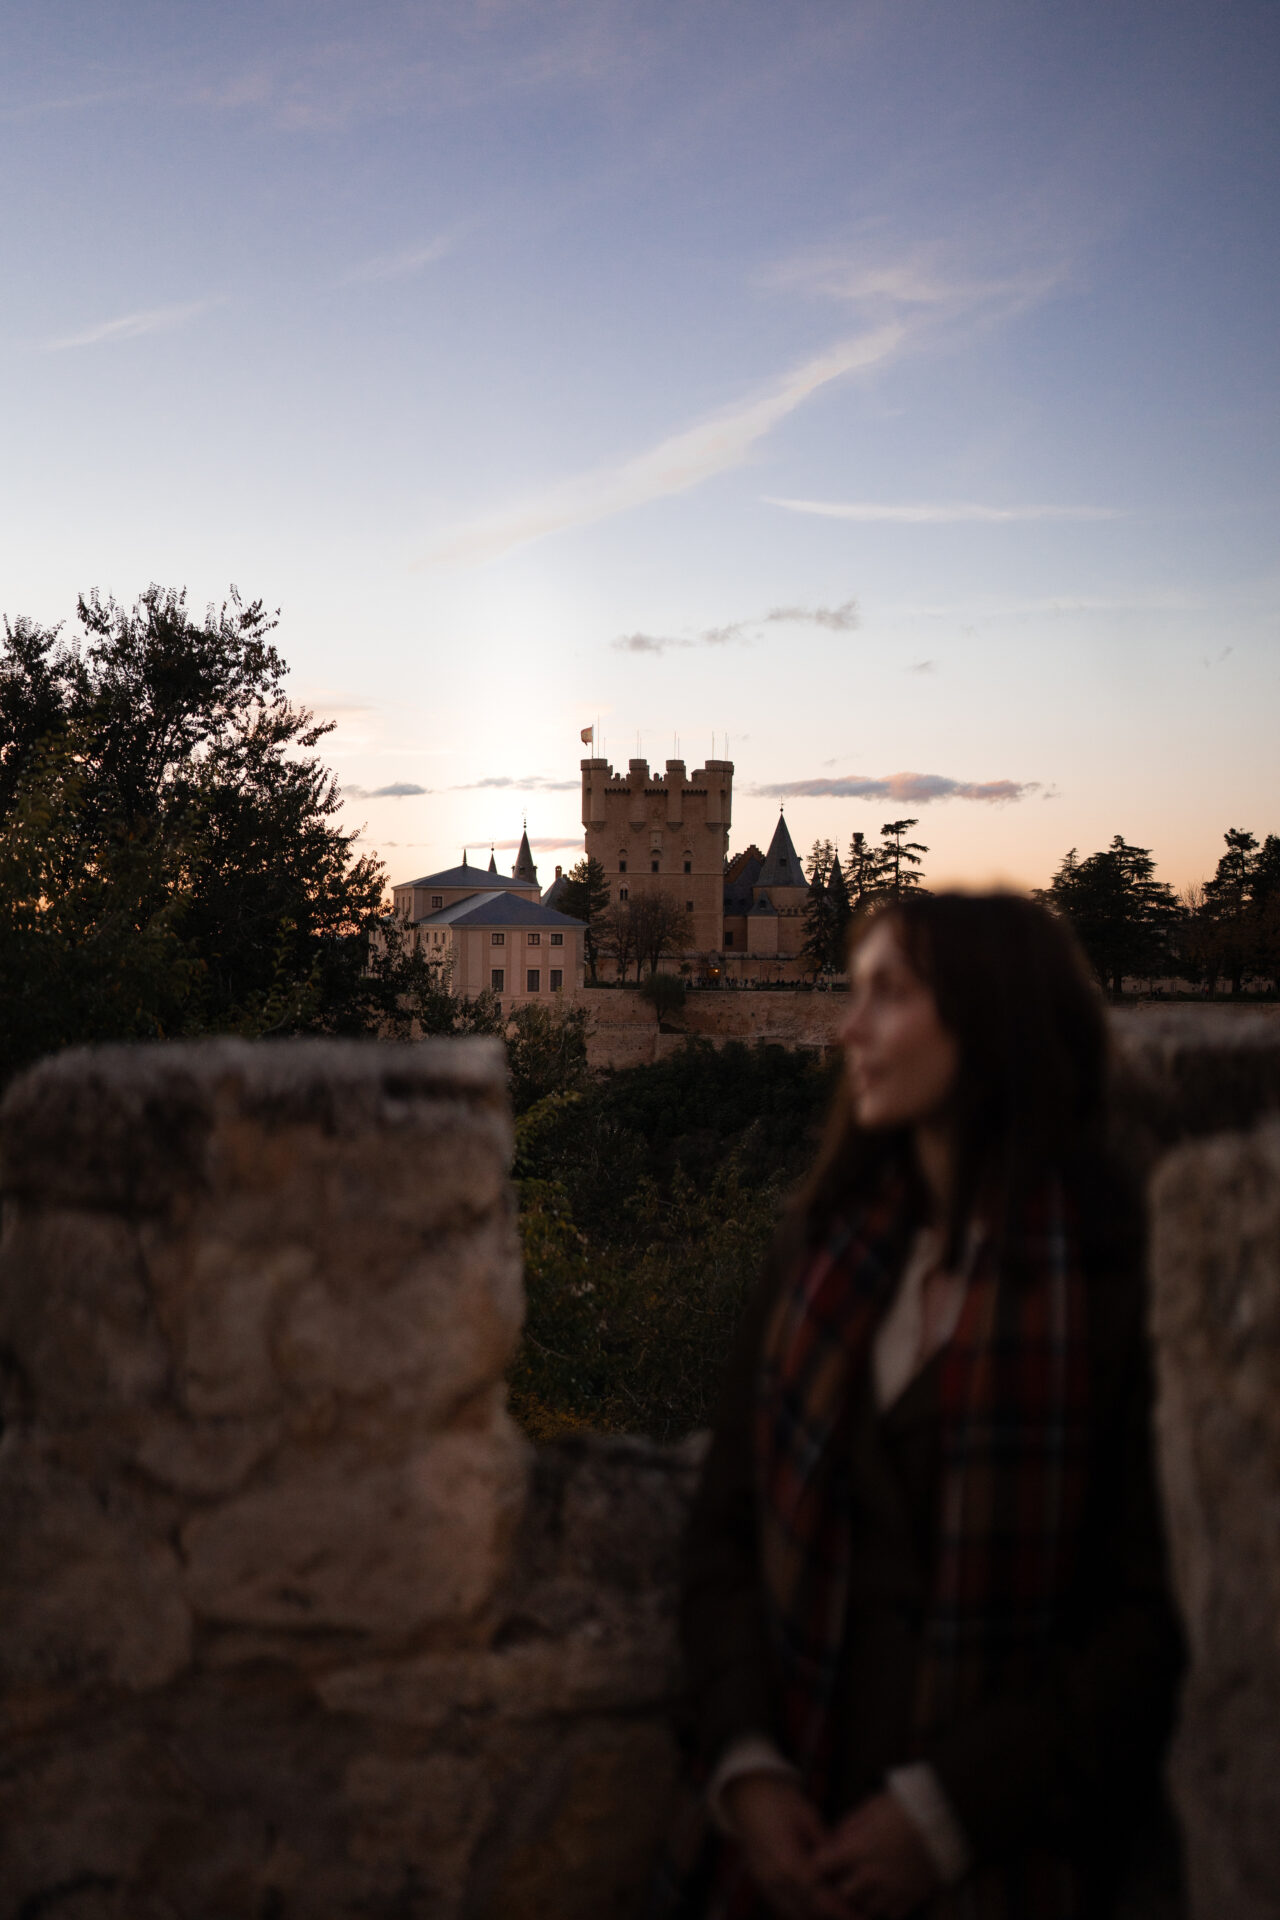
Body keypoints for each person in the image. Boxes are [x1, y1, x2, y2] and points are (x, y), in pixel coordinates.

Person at [680, 893, 1182, 1920]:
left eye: (887, 996)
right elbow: (723, 1529)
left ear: (987, 1020)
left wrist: (948, 1813)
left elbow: (1147, 1615)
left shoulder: (1113, 1282)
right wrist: (744, 1762)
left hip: (1000, 1861)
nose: (844, 1028)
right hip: (792, 1831)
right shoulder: (818, 1256)